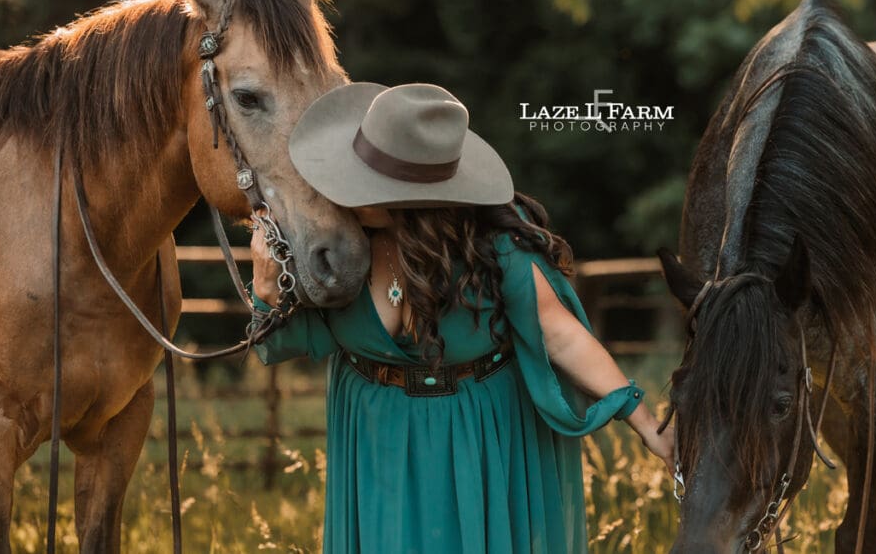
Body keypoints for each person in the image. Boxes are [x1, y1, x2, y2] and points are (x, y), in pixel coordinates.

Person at [248, 82, 674, 553]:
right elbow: (283, 344)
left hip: (475, 438)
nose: (338, 191)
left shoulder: (492, 250)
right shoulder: (340, 243)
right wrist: (267, 291)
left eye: (358, 182)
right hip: (376, 438)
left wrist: (643, 419)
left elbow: (562, 337)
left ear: (405, 203)